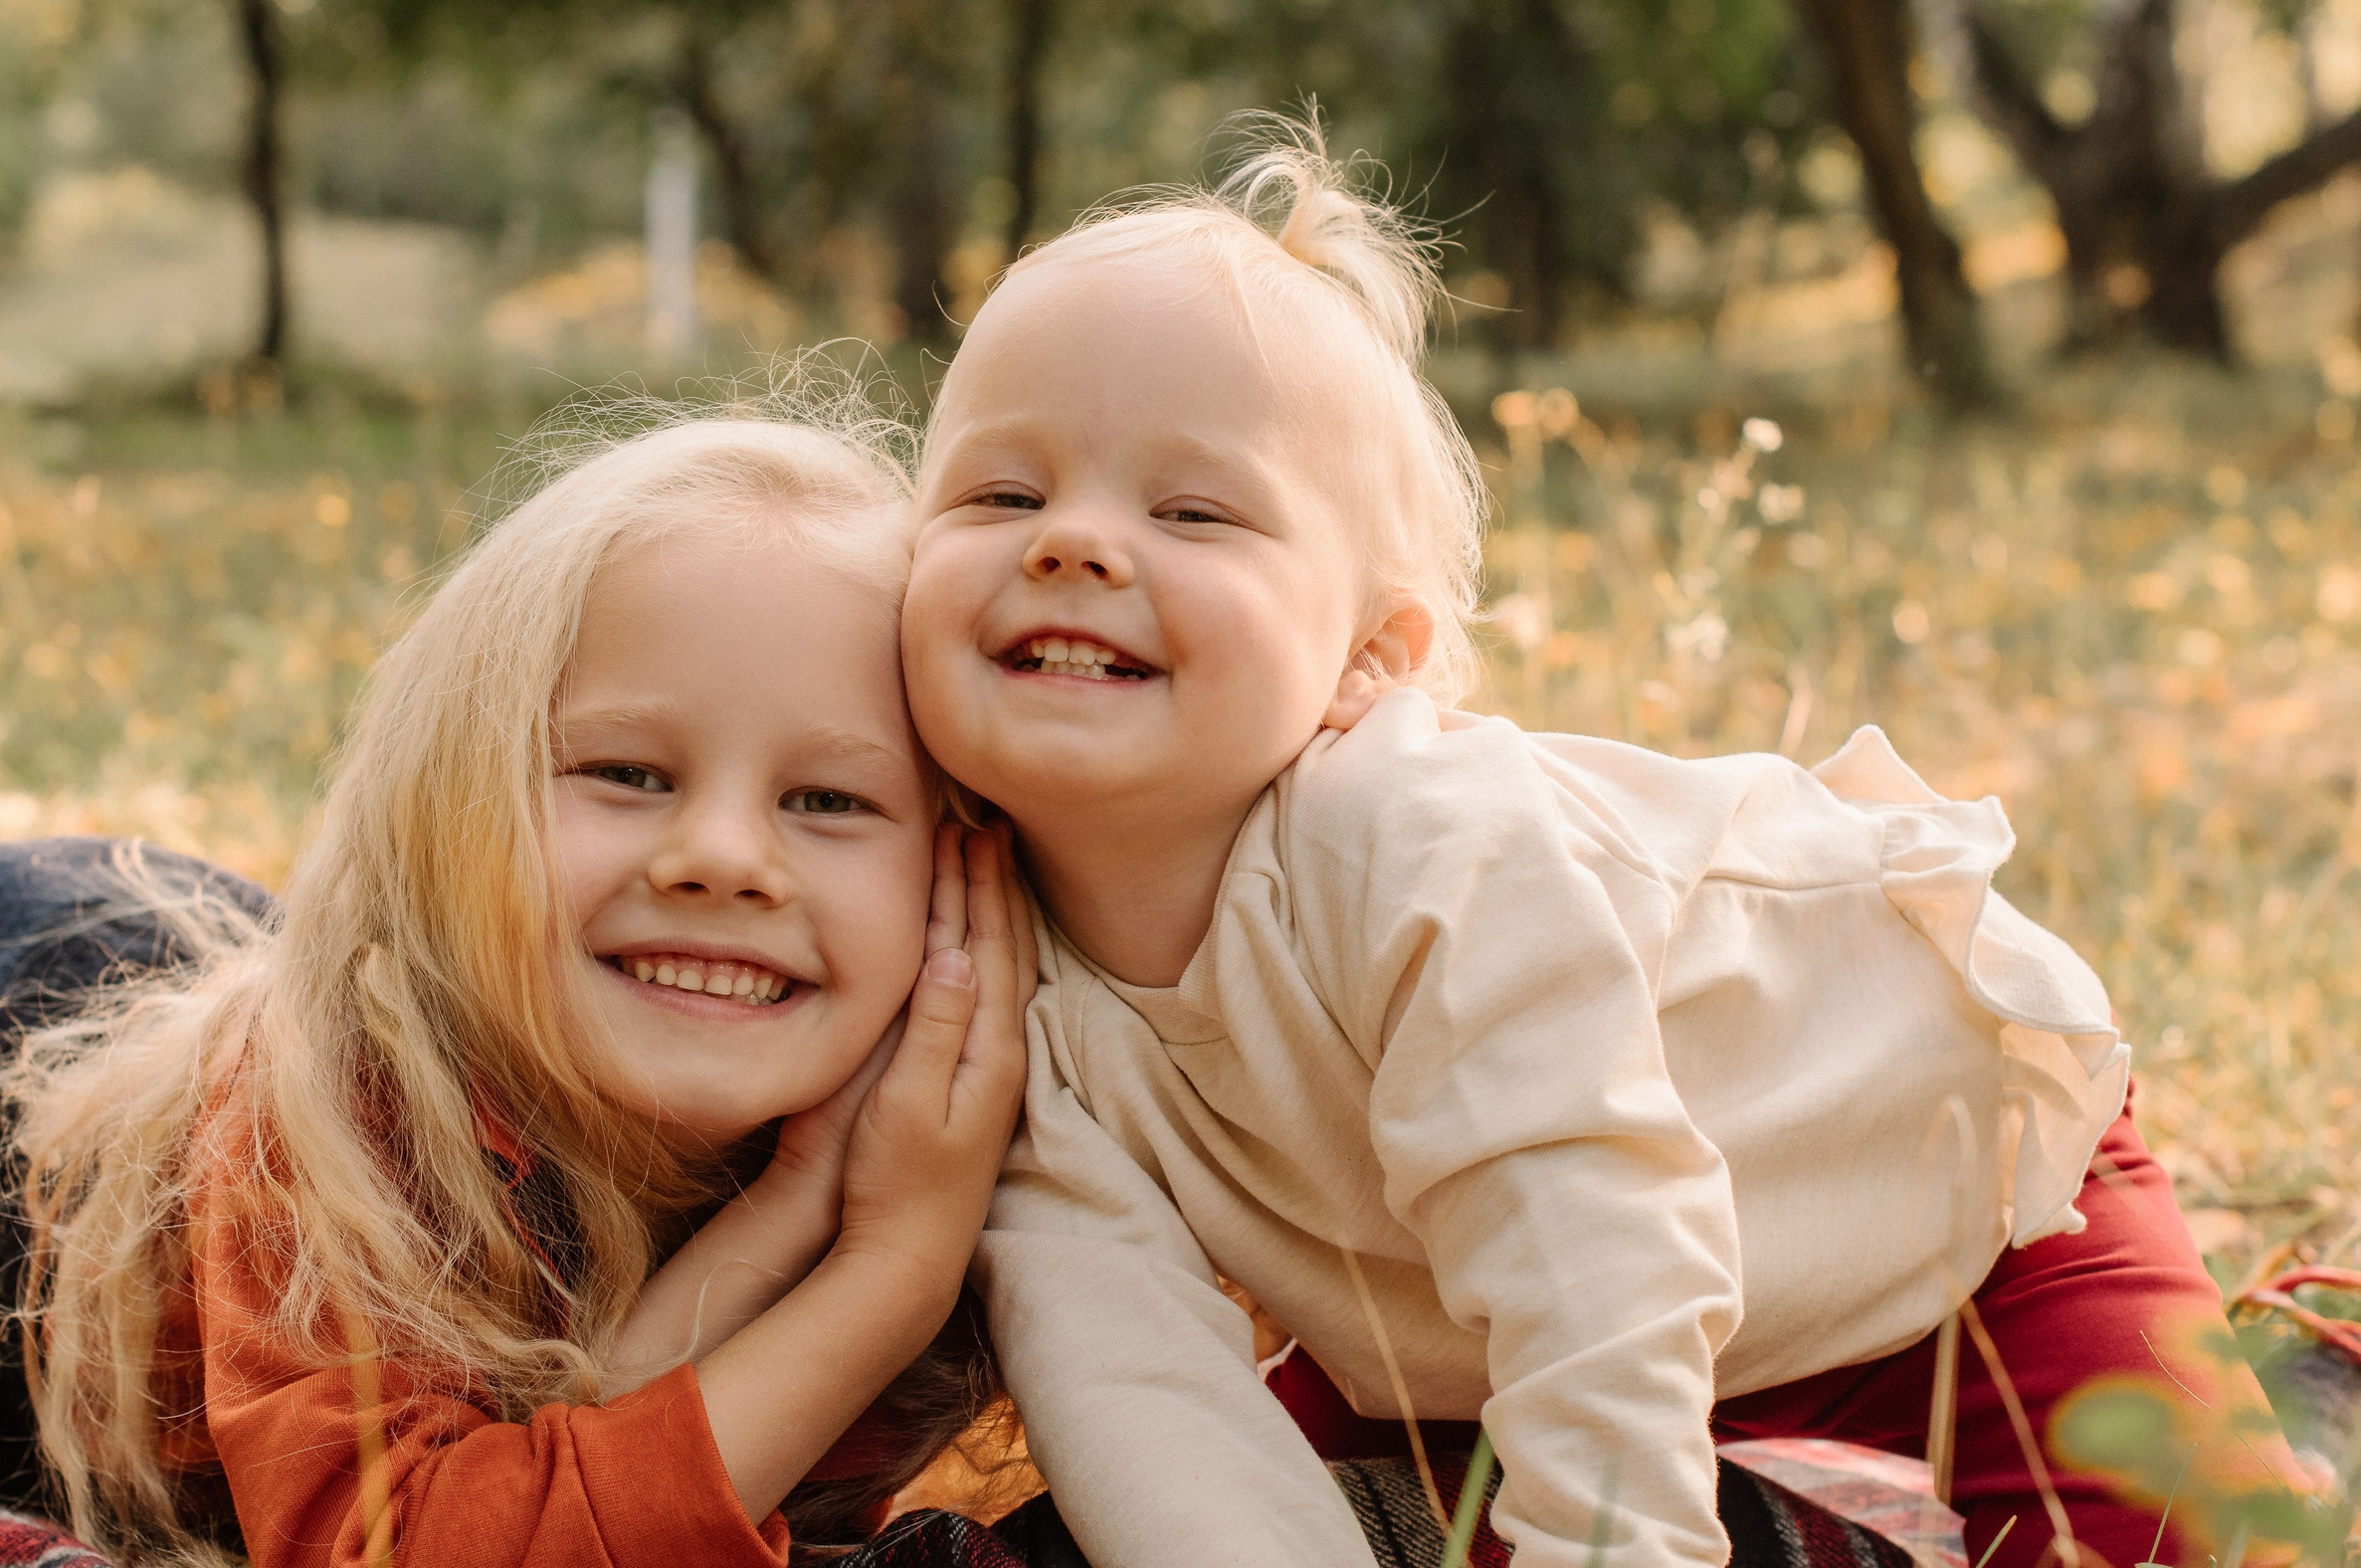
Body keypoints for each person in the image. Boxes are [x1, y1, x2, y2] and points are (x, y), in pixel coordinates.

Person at [896, 116, 2312, 1568]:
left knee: (2180, 1540)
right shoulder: (1000, 977)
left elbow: (1598, 1235)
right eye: (1001, 494)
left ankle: (2312, 1386)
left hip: (1937, 1216)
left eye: (1191, 509)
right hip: (1496, 1331)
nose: (1072, 541)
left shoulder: (1418, 843)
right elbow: (1138, 1383)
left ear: (1365, 660)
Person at [0, 407, 1038, 1567]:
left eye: (829, 800)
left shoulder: (954, 1130)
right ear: (448, 811)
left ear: (961, 868)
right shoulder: (335, 1119)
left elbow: (579, 1470)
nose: (721, 857)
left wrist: (808, 1210)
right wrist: (886, 1270)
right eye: (624, 771)